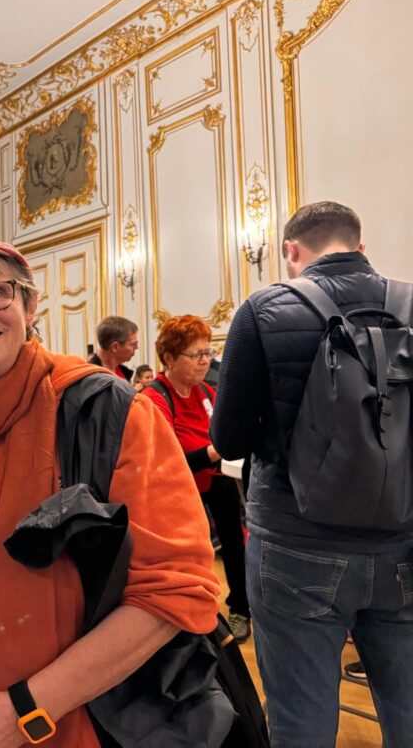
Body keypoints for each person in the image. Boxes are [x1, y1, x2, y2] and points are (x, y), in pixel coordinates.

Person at [0, 241, 220, 747]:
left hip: (82, 725)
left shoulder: (113, 415)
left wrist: (23, 709)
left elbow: (176, 588)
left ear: (30, 307)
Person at [211, 201, 413, 746]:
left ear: (291, 252)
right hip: (404, 540)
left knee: (302, 720)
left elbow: (227, 439)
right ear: (362, 248)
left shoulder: (264, 310)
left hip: (296, 542)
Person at [142, 315, 251, 642]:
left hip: (215, 479)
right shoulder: (154, 398)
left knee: (234, 544)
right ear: (170, 358)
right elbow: (164, 461)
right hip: (177, 488)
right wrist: (214, 452)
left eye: (208, 352)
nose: (206, 361)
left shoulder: (206, 391)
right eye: (197, 355)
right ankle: (190, 618)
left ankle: (240, 610)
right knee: (190, 554)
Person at [87, 316, 138, 380]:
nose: (137, 348)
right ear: (115, 347)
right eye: (133, 344)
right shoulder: (90, 376)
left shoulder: (124, 372)